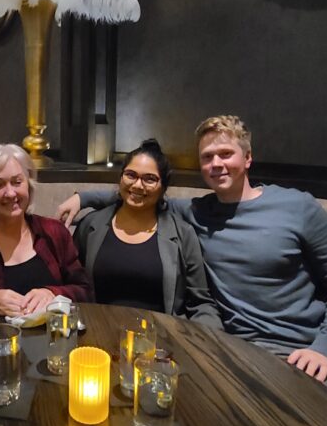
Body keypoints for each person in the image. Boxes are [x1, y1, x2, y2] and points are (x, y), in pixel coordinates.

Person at [58, 115, 327, 403]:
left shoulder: (298, 207)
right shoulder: (197, 213)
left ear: (247, 158)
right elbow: (140, 194)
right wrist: (83, 198)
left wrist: (326, 347)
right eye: (207, 157)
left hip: (300, 353)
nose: (216, 164)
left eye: (225, 154)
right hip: (233, 353)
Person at [72, 139, 218, 324]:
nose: (138, 185)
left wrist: (207, 342)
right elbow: (70, 284)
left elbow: (201, 303)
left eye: (150, 179)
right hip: (98, 333)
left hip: (160, 341)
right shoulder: (91, 225)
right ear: (120, 178)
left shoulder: (183, 234)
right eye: (130, 175)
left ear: (163, 187)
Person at [0, 144, 92, 317]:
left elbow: (85, 292)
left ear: (28, 186)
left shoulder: (54, 232)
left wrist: (53, 293)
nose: (10, 193)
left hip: (54, 339)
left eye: (17, 182)